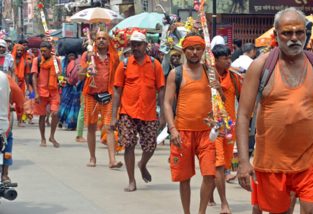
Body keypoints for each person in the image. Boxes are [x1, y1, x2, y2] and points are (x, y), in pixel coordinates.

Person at [235, 7, 313, 213]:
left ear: (306, 33)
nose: (294, 38)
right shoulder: (261, 66)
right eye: (287, 33)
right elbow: (243, 116)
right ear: (276, 35)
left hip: (311, 161)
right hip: (272, 163)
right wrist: (243, 162)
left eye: (299, 32)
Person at [163, 33, 217, 214]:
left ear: (203, 51)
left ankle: (201, 212)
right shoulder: (175, 73)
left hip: (206, 133)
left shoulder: (210, 72)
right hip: (182, 132)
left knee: (210, 174)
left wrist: (218, 88)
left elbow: (221, 101)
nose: (194, 52)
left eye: (198, 49)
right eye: (191, 49)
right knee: (184, 178)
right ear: (184, 51)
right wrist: (172, 129)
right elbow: (167, 103)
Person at [112, 31, 165, 191]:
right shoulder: (125, 64)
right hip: (127, 112)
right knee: (128, 144)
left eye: (138, 44)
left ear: (145, 46)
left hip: (148, 112)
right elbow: (117, 91)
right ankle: (131, 180)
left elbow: (161, 90)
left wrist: (163, 114)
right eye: (133, 44)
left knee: (150, 146)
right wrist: (114, 116)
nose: (135, 47)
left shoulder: (155, 65)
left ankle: (142, 164)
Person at [79, 31, 122, 168]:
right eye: (99, 38)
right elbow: (79, 76)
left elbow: (119, 77)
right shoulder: (88, 56)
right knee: (91, 127)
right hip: (91, 95)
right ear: (95, 41)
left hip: (108, 95)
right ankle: (92, 158)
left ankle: (112, 160)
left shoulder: (114, 57)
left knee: (109, 127)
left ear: (109, 41)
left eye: (104, 38)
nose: (102, 40)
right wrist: (87, 66)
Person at [209, 44, 242, 214]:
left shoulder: (234, 77)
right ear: (215, 60)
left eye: (229, 58)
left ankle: (210, 194)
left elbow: (243, 98)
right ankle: (224, 203)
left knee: (224, 164)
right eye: (225, 59)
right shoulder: (206, 75)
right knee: (219, 164)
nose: (229, 61)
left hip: (230, 127)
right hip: (213, 127)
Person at [31, 41, 61, 148]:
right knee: (42, 116)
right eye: (41, 51)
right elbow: (34, 77)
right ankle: (43, 138)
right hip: (41, 91)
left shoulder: (56, 60)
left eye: (45, 51)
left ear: (50, 50)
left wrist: (60, 78)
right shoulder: (37, 60)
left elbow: (59, 76)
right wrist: (36, 93)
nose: (42, 53)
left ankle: (52, 136)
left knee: (56, 113)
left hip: (53, 91)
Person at [0, 72, 24, 182]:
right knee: (8, 141)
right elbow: (18, 94)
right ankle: (5, 174)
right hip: (3, 124)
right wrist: (19, 110)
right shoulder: (5, 77)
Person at [58, 52, 82, 130]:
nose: (71, 57)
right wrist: (64, 79)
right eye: (69, 55)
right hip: (66, 87)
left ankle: (71, 124)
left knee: (74, 106)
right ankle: (62, 120)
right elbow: (59, 75)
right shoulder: (63, 64)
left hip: (75, 88)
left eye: (72, 55)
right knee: (64, 105)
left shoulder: (77, 64)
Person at [11, 44, 27, 127]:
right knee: (8, 102)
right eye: (18, 50)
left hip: (21, 84)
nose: (20, 52)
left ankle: (20, 120)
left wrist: (29, 87)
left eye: (21, 50)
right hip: (10, 83)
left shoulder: (24, 61)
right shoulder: (10, 60)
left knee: (20, 103)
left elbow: (26, 75)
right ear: (15, 50)